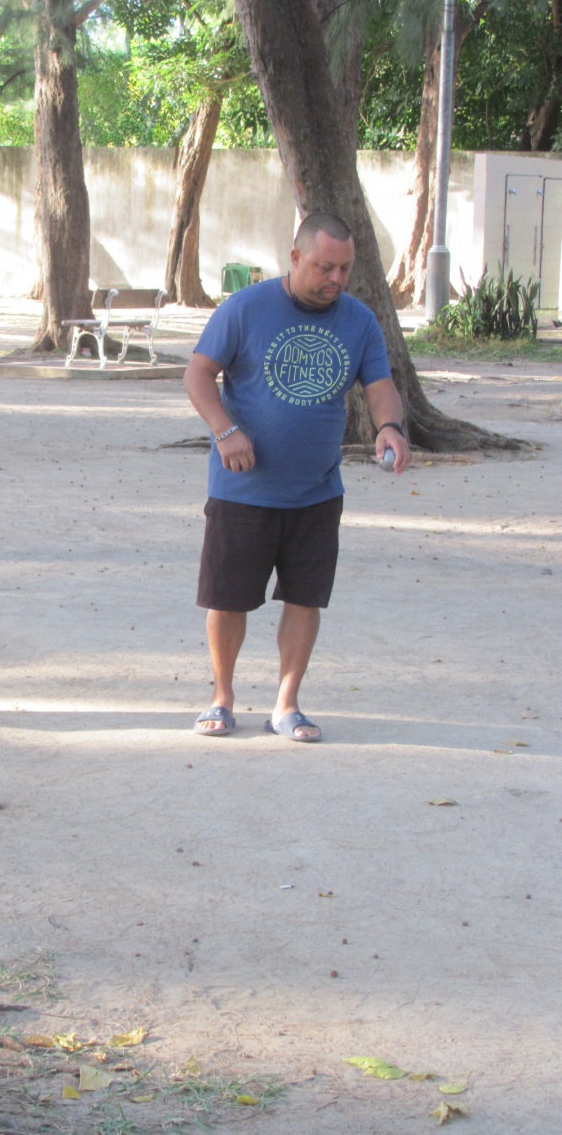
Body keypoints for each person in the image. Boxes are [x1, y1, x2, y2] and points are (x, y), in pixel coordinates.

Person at [184, 212, 411, 742]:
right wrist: (224, 431)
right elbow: (198, 374)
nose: (336, 278)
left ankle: (287, 705)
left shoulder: (358, 321)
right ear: (295, 258)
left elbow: (379, 385)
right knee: (229, 598)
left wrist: (391, 427)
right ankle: (221, 697)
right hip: (242, 488)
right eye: (324, 266)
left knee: (305, 598)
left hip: (316, 490)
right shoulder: (245, 309)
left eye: (345, 269)